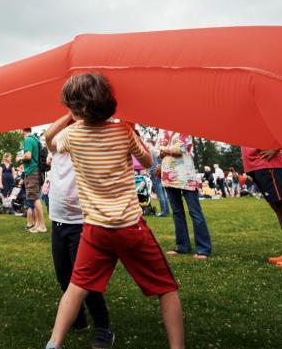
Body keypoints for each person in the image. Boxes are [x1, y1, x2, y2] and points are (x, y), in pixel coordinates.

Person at [44, 74, 183, 349]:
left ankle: (54, 343)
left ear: (75, 107)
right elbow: (147, 161)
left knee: (76, 287)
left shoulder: (71, 135)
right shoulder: (123, 132)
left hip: (95, 229)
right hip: (130, 227)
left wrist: (70, 115)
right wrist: (132, 130)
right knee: (167, 289)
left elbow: (50, 140)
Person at [45, 125, 109, 336]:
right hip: (58, 221)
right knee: (64, 276)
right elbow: (48, 135)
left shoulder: (86, 141)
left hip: (82, 222)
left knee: (85, 280)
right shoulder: (57, 145)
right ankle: (78, 320)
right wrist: (69, 114)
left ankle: (102, 325)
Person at [158, 130, 212, 260]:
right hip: (168, 175)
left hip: (186, 176)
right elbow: (159, 152)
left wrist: (165, 148)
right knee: (177, 212)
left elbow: (179, 150)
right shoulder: (163, 131)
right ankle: (182, 246)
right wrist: (166, 149)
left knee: (195, 212)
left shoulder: (184, 129)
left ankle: (203, 249)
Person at [19, 128, 46, 233]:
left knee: (35, 198)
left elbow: (28, 156)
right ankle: (38, 224)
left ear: (23, 130)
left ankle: (42, 225)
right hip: (37, 171)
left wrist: (20, 158)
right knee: (35, 198)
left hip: (32, 172)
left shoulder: (28, 140)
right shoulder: (35, 139)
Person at [146, 139, 170, 216]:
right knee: (163, 192)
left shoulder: (150, 151)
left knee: (160, 194)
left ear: (150, 143)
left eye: (147, 143)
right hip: (160, 171)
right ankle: (166, 211)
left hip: (154, 172)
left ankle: (163, 212)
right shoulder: (158, 151)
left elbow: (148, 163)